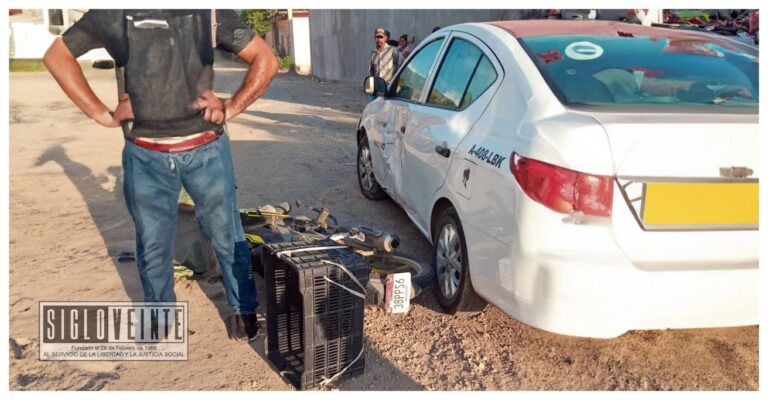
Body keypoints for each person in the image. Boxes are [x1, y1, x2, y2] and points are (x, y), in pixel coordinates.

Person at [43, 9, 279, 342]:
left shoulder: (209, 14)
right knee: (153, 242)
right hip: (146, 154)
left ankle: (243, 313)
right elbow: (57, 56)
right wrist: (104, 115)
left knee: (227, 236)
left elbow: (265, 60)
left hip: (206, 151)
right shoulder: (113, 15)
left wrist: (231, 107)